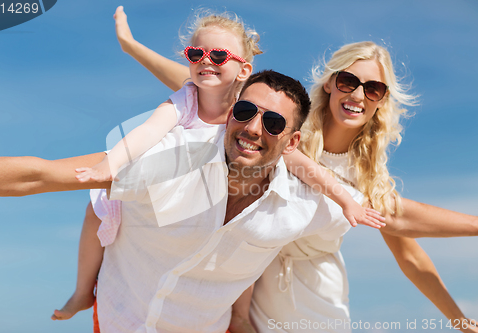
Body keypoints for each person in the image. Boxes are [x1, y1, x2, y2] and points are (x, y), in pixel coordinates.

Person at [109, 11, 478, 331]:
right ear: (331, 84)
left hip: (317, 296)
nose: (358, 95)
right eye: (348, 81)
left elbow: (406, 246)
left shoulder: (368, 177)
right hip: (249, 287)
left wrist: (459, 320)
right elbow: (213, 88)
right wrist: (130, 46)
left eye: (374, 88)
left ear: (382, 101)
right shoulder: (283, 130)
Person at [0, 70, 386, 333]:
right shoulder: (168, 159)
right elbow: (40, 174)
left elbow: (395, 217)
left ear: (292, 141)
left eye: (274, 122)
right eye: (245, 111)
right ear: (230, 114)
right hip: (120, 320)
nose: (253, 128)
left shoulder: (306, 203)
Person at [52, 7, 383, 322]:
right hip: (178, 192)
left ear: (243, 70)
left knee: (245, 250)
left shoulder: (248, 111)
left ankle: (238, 318)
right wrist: (110, 166)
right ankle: (83, 291)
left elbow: (302, 165)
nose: (206, 62)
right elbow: (148, 131)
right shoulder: (186, 99)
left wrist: (345, 200)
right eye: (196, 55)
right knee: (97, 207)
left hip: (228, 208)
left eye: (219, 56)